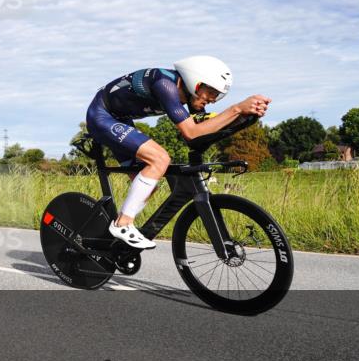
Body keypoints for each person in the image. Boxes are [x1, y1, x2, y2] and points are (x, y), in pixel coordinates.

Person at [86, 56, 270, 249]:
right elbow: (191, 133)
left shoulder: (186, 94)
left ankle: (113, 240)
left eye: (217, 96)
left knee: (149, 185)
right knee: (160, 159)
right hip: (102, 116)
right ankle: (122, 224)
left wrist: (244, 115)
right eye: (211, 93)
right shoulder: (165, 85)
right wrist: (237, 108)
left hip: (120, 119)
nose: (213, 100)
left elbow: (205, 126)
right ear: (195, 83)